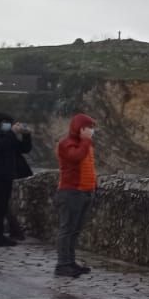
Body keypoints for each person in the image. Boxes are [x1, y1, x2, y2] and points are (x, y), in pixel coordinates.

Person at [53, 113, 98, 278]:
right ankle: (62, 264)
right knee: (67, 229)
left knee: (75, 230)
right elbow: (76, 158)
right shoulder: (67, 144)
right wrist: (86, 140)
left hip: (85, 192)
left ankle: (70, 262)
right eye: (89, 127)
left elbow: (89, 167)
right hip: (71, 192)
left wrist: (94, 186)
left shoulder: (85, 145)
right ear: (81, 128)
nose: (92, 131)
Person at [0, 112, 33, 247]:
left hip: (7, 177)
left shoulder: (10, 138)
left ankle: (0, 236)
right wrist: (12, 133)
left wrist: (26, 135)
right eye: (5, 122)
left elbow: (24, 149)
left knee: (2, 206)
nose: (8, 125)